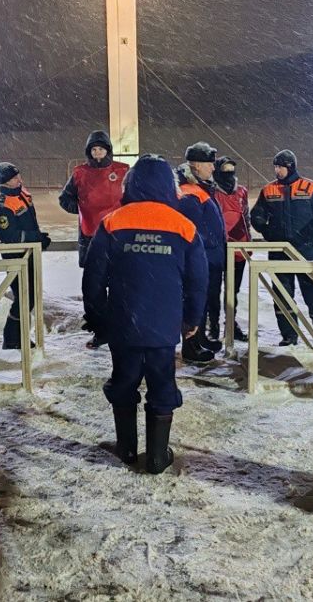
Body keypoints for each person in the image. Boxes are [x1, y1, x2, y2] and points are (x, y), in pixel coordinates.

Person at [84, 156, 208, 474]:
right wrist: (192, 320)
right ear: (170, 186)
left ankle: (126, 448)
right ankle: (155, 455)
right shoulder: (183, 226)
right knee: (162, 382)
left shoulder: (113, 222)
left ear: (132, 184)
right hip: (164, 323)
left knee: (124, 380)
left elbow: (94, 278)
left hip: (124, 320)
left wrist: (99, 318)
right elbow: (198, 281)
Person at [249, 150, 313, 350]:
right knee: (282, 295)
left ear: (290, 166)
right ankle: (289, 336)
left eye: (280, 167)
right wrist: (265, 229)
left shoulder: (309, 187)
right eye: (275, 167)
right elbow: (257, 214)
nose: (277, 170)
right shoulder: (268, 190)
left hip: (306, 250)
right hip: (279, 250)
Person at [58, 130, 129, 349]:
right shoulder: (80, 172)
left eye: (101, 149)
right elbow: (65, 198)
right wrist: (81, 208)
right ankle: (101, 329)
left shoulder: (122, 170)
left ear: (108, 150)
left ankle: (121, 327)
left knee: (120, 284)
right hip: (90, 238)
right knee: (94, 287)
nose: (98, 154)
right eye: (94, 150)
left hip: (118, 235)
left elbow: (134, 196)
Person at [0, 162, 51, 350]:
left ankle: (18, 337)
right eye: (15, 178)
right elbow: (10, 237)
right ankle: (12, 338)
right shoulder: (0, 206)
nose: (19, 180)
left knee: (29, 296)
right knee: (24, 297)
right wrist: (36, 238)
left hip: (30, 252)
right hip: (16, 256)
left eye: (18, 176)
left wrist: (37, 239)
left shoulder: (20, 192)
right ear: (5, 182)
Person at [174, 143, 228, 362]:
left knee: (203, 301)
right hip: (201, 257)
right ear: (196, 166)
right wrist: (207, 246)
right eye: (209, 164)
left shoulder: (199, 188)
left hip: (208, 256)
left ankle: (200, 338)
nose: (213, 168)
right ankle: (191, 345)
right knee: (195, 301)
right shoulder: (189, 193)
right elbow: (191, 231)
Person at [213, 156, 251, 342]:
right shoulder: (211, 192)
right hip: (217, 249)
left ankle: (230, 324)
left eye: (231, 169)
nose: (229, 173)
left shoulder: (242, 191)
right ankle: (212, 327)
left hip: (237, 249)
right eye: (225, 169)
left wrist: (246, 241)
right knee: (211, 291)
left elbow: (246, 218)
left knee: (232, 291)